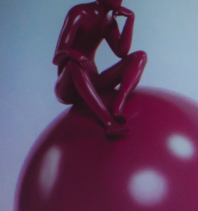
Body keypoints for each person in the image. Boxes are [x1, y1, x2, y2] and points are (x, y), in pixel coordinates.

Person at [53, 0, 147, 136]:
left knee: (140, 56)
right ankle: (108, 122)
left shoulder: (108, 22)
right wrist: (76, 56)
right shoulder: (79, 12)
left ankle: (118, 106)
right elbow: (57, 56)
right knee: (72, 63)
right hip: (68, 86)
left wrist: (130, 19)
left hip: (92, 82)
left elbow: (122, 52)